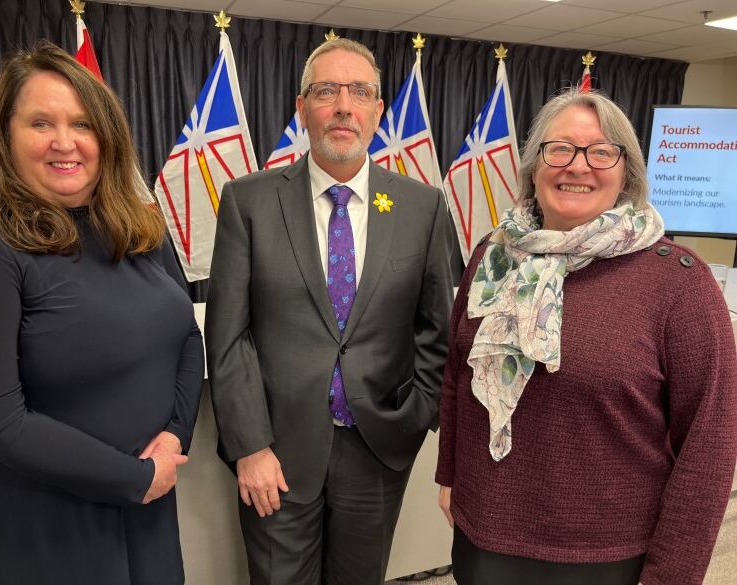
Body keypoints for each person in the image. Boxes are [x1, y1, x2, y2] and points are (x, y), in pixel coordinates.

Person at [436, 87, 737, 585]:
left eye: (601, 152)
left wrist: (672, 576)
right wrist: (450, 474)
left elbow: (709, 446)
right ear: (535, 165)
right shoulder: (493, 256)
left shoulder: (679, 285)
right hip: (483, 537)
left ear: (627, 173)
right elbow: (457, 376)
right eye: (560, 149)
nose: (578, 166)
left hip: (605, 557)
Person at [205, 38, 453, 584]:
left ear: (378, 112)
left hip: (378, 449)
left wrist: (415, 417)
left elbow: (440, 329)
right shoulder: (249, 201)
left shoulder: (422, 207)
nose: (344, 106)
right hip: (277, 454)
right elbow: (228, 337)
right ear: (301, 108)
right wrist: (249, 446)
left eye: (360, 92)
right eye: (327, 91)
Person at [0, 41, 204, 585]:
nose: (65, 142)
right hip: (39, 520)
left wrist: (175, 438)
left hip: (146, 504)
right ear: (5, 135)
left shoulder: (138, 224)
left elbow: (186, 333)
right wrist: (133, 476)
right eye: (41, 123)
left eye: (83, 124)